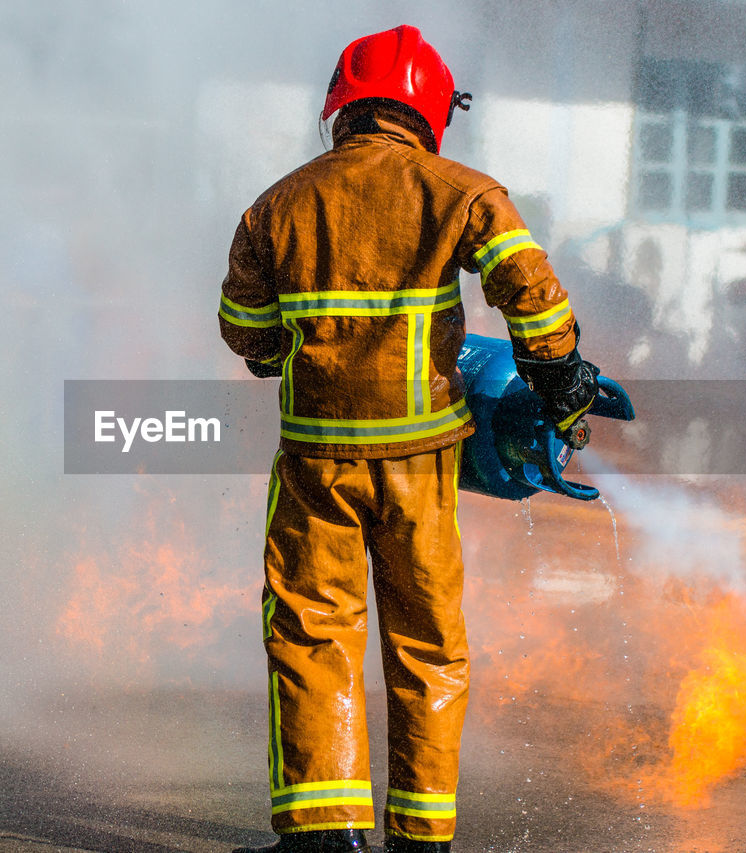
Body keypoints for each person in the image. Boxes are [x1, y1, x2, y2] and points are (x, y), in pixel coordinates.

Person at [218, 26, 598, 853]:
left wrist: (275, 351)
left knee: (314, 632)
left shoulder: (278, 203)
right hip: (422, 459)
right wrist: (560, 372)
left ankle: (324, 835)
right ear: (430, 109)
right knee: (428, 641)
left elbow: (245, 328)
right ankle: (421, 837)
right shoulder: (462, 191)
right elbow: (529, 291)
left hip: (316, 459)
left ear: (342, 107)